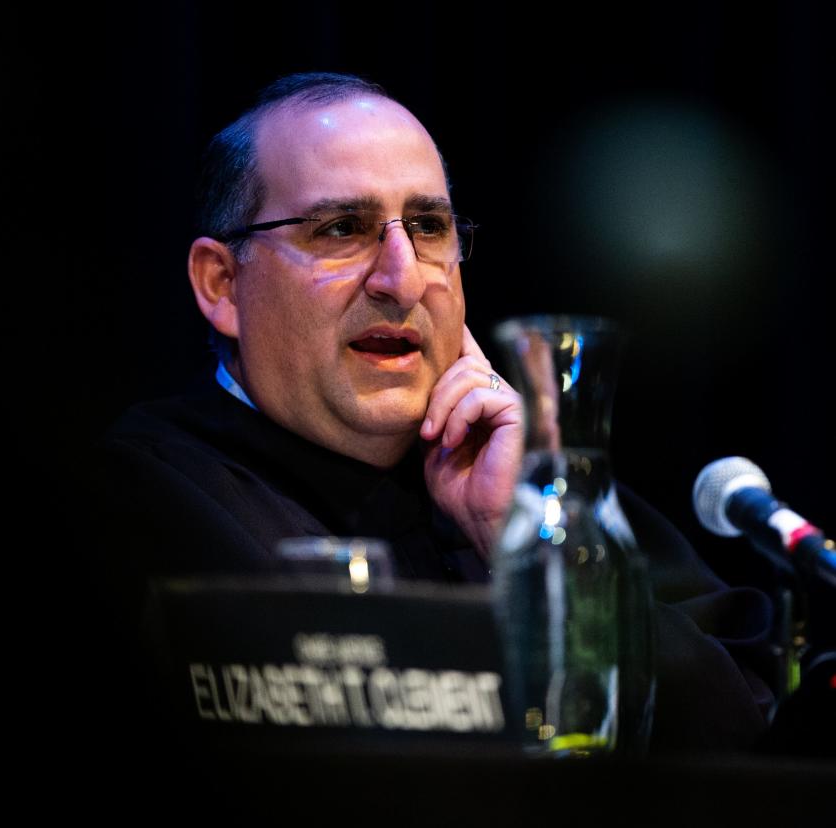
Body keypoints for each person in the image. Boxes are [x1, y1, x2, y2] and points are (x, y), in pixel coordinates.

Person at [90, 72, 773, 754]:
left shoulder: (543, 492)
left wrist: (533, 547)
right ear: (222, 283)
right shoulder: (144, 501)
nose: (404, 278)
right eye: (342, 228)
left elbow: (748, 727)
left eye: (428, 226)